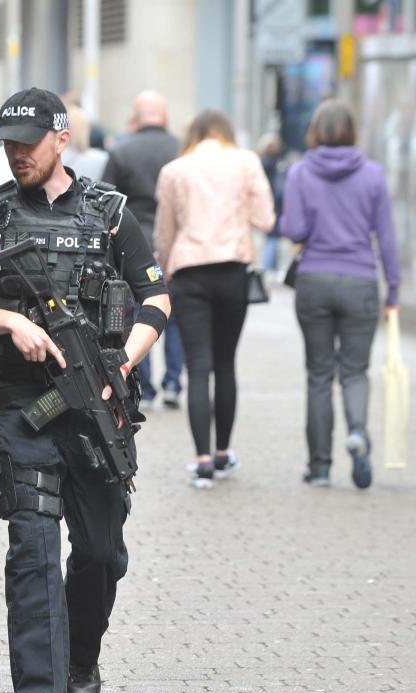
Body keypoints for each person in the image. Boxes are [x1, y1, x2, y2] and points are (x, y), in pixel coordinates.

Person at [0, 88, 171, 693]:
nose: (18, 154)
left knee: (100, 552)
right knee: (32, 547)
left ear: (61, 139)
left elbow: (156, 296)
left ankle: (83, 653)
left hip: (97, 403)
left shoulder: (110, 214)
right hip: (23, 406)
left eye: (29, 143)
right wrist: (11, 321)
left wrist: (121, 364)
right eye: (9, 145)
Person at [279, 100, 401, 489]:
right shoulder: (373, 175)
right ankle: (359, 435)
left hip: (315, 279)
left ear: (315, 131)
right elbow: (387, 236)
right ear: (352, 131)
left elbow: (294, 229)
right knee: (354, 371)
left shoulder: (300, 173)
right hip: (361, 281)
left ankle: (319, 467)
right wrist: (393, 289)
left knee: (318, 374)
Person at [153, 110, 275, 488]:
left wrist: (165, 269)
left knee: (198, 366)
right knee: (226, 364)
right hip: (233, 270)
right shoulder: (246, 162)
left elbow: (164, 233)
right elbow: (266, 219)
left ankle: (202, 460)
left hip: (189, 272)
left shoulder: (175, 170)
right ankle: (223, 453)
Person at [103, 91, 184, 408]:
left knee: (139, 312)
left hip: (133, 242)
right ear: (164, 117)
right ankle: (174, 380)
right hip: (175, 242)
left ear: (136, 118)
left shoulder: (122, 151)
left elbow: (107, 201)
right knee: (173, 315)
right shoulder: (181, 150)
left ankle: (146, 387)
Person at [258, 132, 288, 274]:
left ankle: (270, 268)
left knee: (271, 238)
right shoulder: (280, 164)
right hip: (277, 204)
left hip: (266, 204)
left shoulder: (260, 163)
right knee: (273, 238)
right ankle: (269, 268)